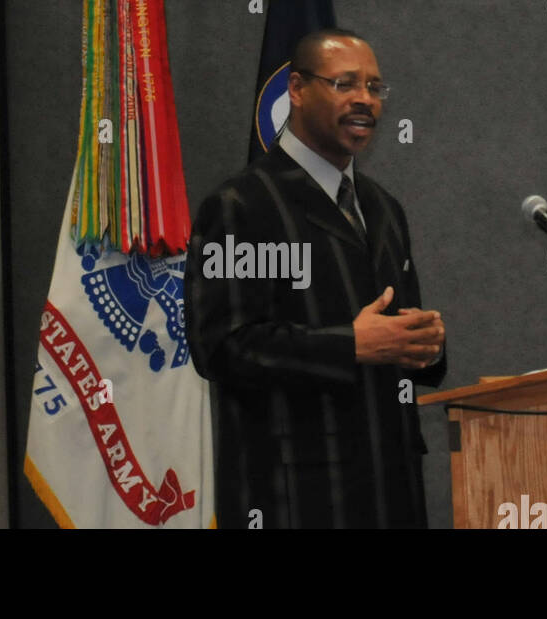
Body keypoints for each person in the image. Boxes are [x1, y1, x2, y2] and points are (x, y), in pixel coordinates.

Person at [185, 29, 446, 529]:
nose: (364, 100)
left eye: (374, 87)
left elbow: (392, 334)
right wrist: (351, 344)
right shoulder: (242, 206)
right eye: (345, 84)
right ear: (298, 90)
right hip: (296, 496)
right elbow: (221, 345)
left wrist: (424, 344)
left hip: (392, 489)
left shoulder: (383, 207)